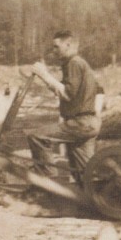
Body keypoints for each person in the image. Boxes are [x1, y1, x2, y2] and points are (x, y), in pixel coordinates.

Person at [27, 30, 101, 184]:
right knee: (85, 177)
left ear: (68, 44)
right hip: (88, 123)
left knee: (36, 136)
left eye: (56, 47)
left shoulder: (74, 63)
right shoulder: (80, 64)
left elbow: (67, 94)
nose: (54, 51)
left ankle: (48, 183)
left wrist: (44, 74)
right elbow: (67, 92)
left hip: (80, 123)